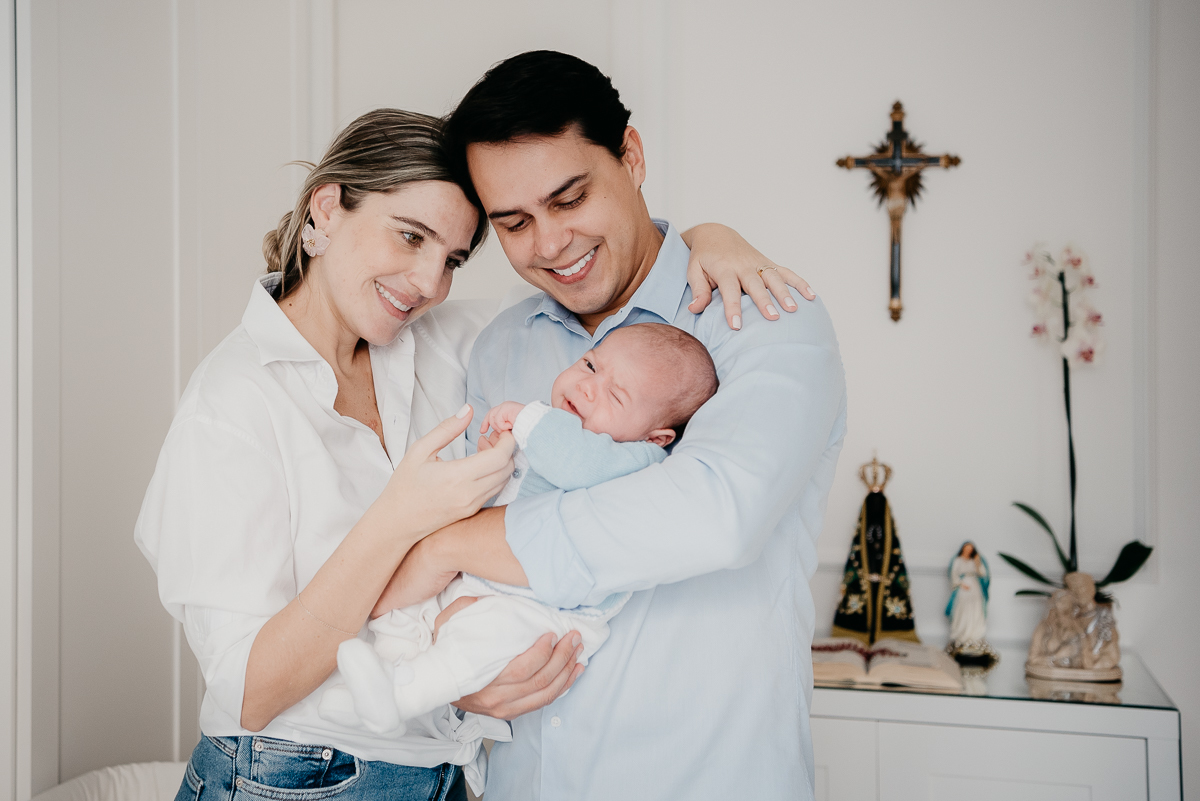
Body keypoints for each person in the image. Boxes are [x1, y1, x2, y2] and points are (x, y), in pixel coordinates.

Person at [133, 106, 815, 801]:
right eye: (410, 236)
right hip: (290, 775)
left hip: (441, 774)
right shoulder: (231, 404)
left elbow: (612, 307)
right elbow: (249, 691)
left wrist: (707, 238)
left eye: (453, 259)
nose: (428, 283)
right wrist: (402, 525)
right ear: (327, 208)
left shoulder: (446, 339)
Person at [380, 51, 848, 800]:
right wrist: (462, 671)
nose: (549, 244)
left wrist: (451, 547)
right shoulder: (501, 348)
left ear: (630, 156)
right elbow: (473, 560)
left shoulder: (761, 319)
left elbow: (714, 514)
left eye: (569, 199)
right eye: (514, 223)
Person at [320, 323, 718, 734]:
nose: (587, 387)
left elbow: (575, 463)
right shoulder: (559, 431)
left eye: (615, 395)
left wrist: (528, 418)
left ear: (655, 437)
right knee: (412, 609)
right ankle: (380, 677)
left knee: (481, 638)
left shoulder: (636, 460)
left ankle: (403, 695)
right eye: (590, 365)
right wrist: (496, 461)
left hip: (544, 613)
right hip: (485, 579)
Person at [946, 541, 990, 647]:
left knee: (975, 608)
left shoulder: (975, 560)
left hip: (975, 587)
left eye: (970, 549)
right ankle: (961, 634)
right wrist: (961, 583)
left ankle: (974, 635)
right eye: (966, 548)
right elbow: (953, 574)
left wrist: (977, 562)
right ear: (963, 549)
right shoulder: (958, 560)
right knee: (962, 608)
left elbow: (983, 573)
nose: (968, 551)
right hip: (963, 587)